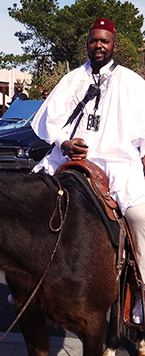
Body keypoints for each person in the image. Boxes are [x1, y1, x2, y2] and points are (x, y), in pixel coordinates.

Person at [31, 18, 145, 324]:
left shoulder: (133, 83)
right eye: (94, 41)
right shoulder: (71, 79)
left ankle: (143, 298)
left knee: (140, 218)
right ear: (88, 44)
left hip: (116, 161)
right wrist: (64, 142)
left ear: (114, 46)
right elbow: (50, 121)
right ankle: (28, 284)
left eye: (104, 41)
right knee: (28, 203)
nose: (98, 46)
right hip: (70, 156)